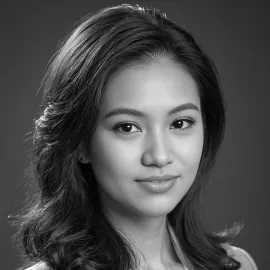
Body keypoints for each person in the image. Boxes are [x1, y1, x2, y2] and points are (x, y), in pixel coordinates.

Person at [10, 3, 258, 270]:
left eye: (180, 123)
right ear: (79, 142)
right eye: (127, 127)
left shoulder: (236, 265)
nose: (160, 156)